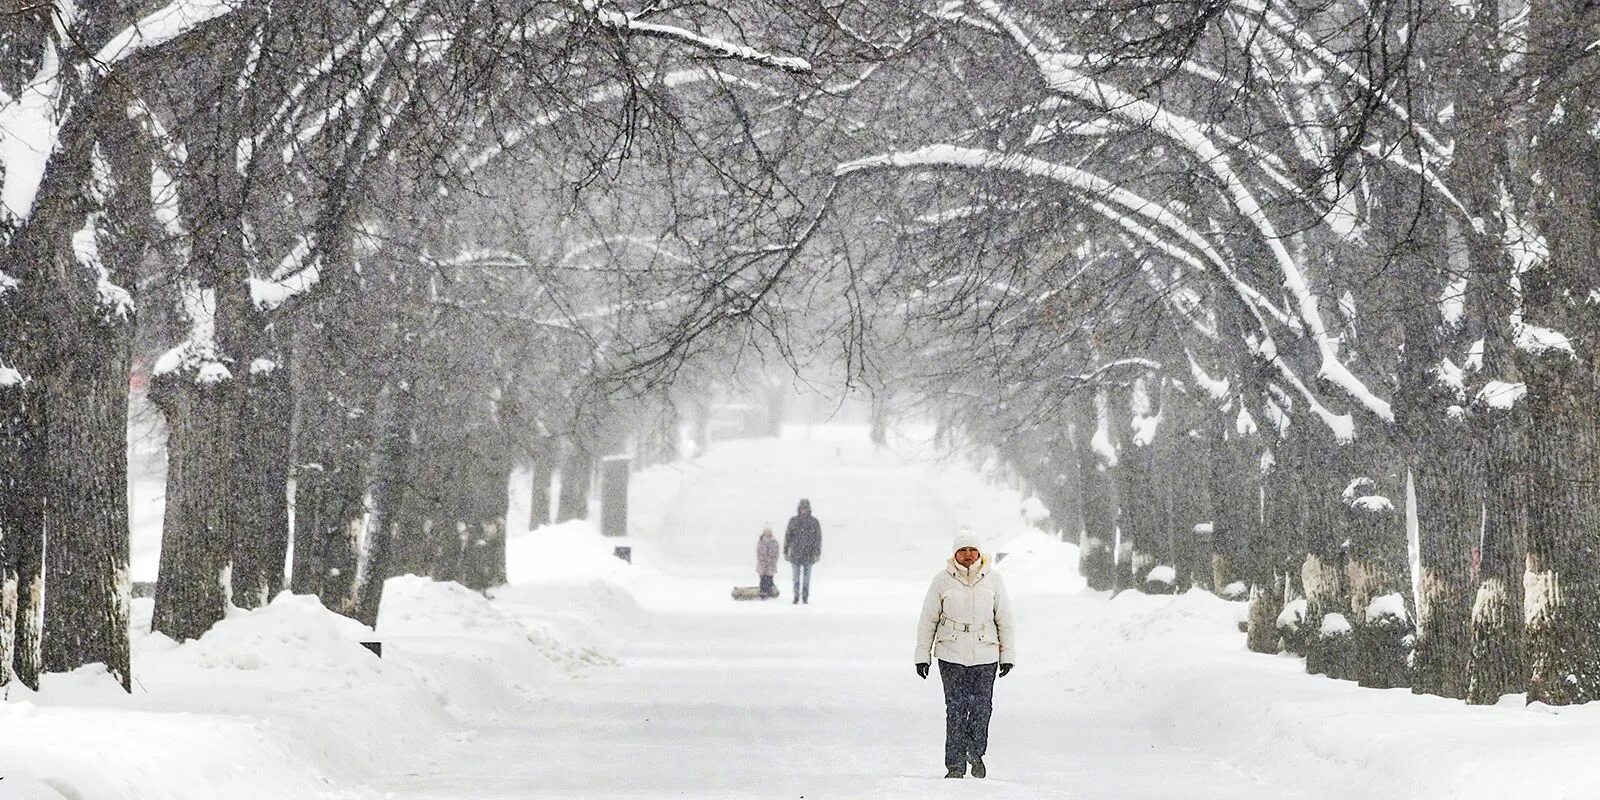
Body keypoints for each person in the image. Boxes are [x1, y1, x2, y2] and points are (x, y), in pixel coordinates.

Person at [914, 529, 1014, 780]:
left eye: (972, 550)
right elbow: (928, 619)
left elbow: (1004, 619)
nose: (968, 555)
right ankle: (955, 765)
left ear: (980, 553)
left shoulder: (994, 580)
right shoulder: (941, 581)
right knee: (956, 708)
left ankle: (975, 752)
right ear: (955, 554)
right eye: (962, 550)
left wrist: (1007, 655)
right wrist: (922, 655)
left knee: (982, 707)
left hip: (985, 655)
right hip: (951, 654)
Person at [783, 498, 822, 604]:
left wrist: (817, 553)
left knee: (806, 579)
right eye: (802, 508)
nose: (803, 510)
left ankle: (805, 597)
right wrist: (785, 551)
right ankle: (796, 596)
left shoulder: (814, 522)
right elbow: (788, 537)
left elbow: (818, 539)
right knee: (795, 578)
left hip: (809, 555)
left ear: (809, 508)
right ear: (799, 508)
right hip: (795, 554)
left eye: (805, 508)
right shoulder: (793, 521)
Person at [756, 526, 780, 598]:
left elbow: (776, 553)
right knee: (763, 579)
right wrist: (762, 559)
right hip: (762, 564)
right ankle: (763, 593)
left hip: (771, 564)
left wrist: (772, 559)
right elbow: (759, 552)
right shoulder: (761, 541)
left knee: (769, 578)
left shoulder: (774, 542)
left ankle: (769, 592)